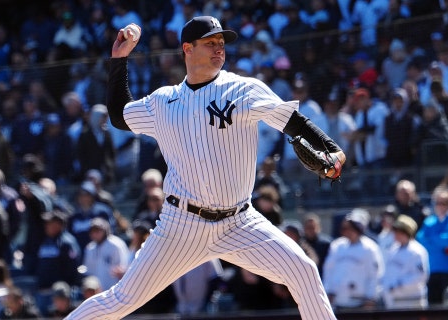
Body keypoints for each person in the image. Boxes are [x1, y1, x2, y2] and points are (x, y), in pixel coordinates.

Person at [66, 16, 345, 319]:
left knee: (303, 272)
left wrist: (333, 151)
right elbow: (120, 116)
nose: (219, 49)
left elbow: (296, 124)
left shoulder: (244, 90)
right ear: (187, 48)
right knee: (121, 300)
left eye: (222, 43)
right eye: (210, 43)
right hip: (181, 225)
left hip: (240, 222)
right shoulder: (163, 102)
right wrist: (119, 60)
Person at [323, 208, 384, 311]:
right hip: (338, 301)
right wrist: (328, 291)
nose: (348, 230)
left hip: (361, 302)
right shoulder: (337, 246)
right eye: (347, 227)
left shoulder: (370, 248)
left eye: (352, 227)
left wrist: (371, 297)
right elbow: (328, 270)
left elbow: (375, 275)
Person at [381, 214, 430, 309]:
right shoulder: (393, 250)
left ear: (406, 232)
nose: (394, 234)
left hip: (411, 302)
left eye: (398, 231)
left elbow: (421, 277)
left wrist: (398, 285)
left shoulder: (418, 251)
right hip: (393, 302)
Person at [82, 217, 129, 291]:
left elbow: (124, 267)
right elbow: (88, 271)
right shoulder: (90, 248)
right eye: (92, 231)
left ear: (105, 230)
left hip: (114, 290)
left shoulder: (116, 244)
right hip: (96, 292)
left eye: (97, 230)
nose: (95, 234)